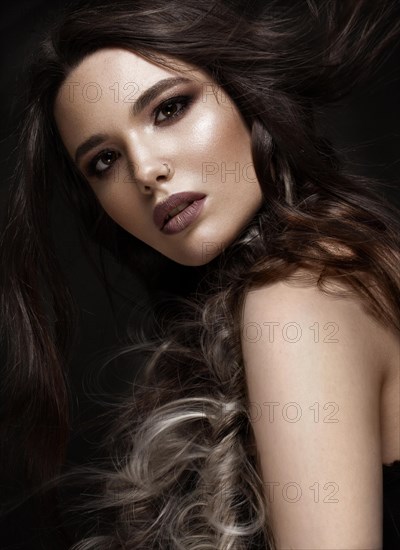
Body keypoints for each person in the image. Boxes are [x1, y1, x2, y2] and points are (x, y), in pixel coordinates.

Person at [1, 0, 399, 548]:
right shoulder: (351, 263)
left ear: (244, 91)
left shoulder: (299, 299)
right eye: (104, 161)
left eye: (168, 109)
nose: (145, 172)